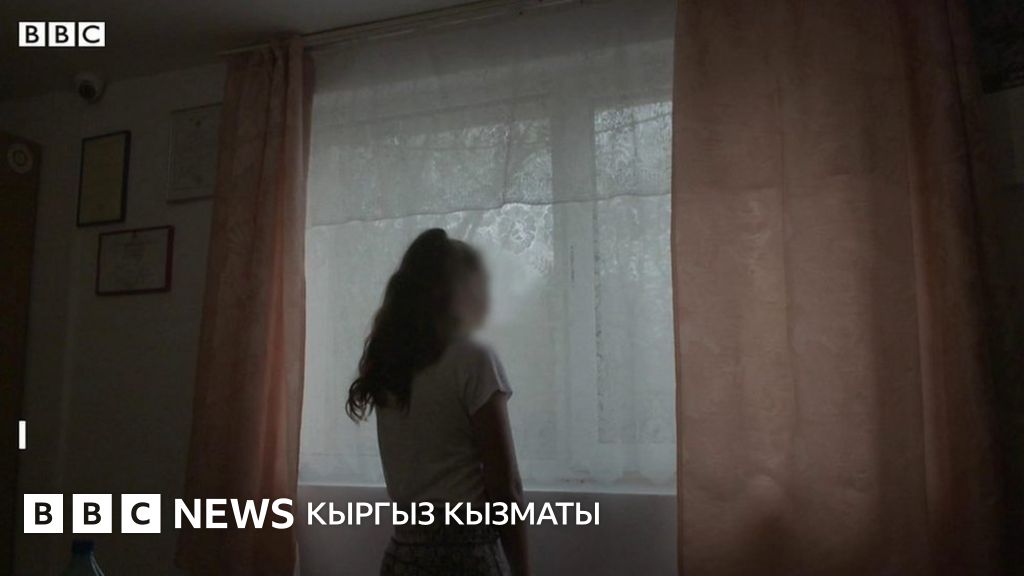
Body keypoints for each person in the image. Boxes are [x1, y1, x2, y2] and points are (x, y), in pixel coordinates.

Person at [347, 228, 530, 576]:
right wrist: (523, 570)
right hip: (467, 557)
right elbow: (505, 488)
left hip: (404, 555)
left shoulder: (390, 362)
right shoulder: (473, 358)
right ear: (456, 291)